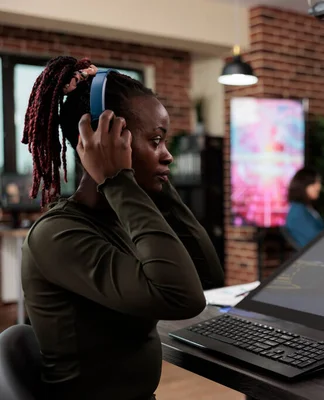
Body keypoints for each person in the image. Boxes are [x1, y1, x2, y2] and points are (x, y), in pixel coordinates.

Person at [20, 56, 224, 400]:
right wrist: (117, 178)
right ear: (106, 143)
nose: (168, 155)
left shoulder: (122, 217)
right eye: (156, 140)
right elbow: (181, 299)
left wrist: (157, 187)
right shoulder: (57, 235)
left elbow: (209, 277)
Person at [284, 167, 324, 248]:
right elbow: (315, 239)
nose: (319, 187)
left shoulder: (305, 208)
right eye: (315, 183)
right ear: (303, 185)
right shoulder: (298, 212)